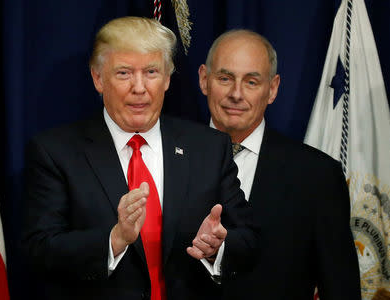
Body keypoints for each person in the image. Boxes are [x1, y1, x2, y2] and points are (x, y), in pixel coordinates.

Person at [22, 17, 259, 300]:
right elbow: (39, 251)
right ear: (98, 78)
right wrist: (114, 239)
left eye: (151, 72)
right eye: (124, 73)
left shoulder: (208, 147)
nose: (139, 88)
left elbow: (249, 239)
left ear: (168, 78)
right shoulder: (56, 152)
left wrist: (217, 247)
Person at [198, 29, 361, 299]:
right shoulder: (165, 156)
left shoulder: (317, 176)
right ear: (204, 79)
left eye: (252, 82)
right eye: (225, 78)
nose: (236, 94)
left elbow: (340, 287)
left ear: (272, 89)